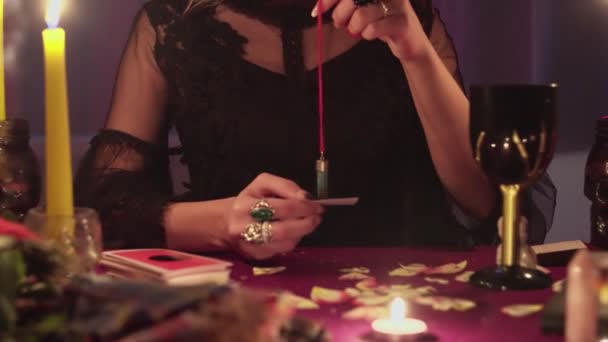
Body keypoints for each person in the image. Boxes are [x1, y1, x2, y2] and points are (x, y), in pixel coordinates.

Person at [74, 0, 556, 259]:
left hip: (404, 299)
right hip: (239, 313)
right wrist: (222, 224)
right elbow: (103, 214)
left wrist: (414, 51)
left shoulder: (399, 14)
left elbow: (490, 199)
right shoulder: (173, 23)